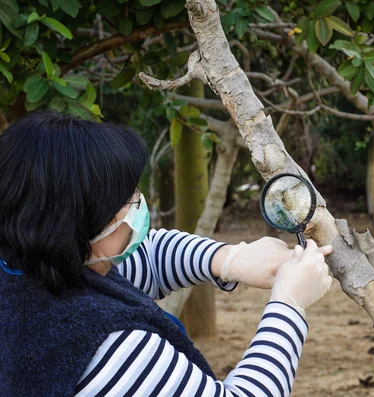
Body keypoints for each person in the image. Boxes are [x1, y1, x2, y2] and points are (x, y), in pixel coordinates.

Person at [0, 110, 333, 397]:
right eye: (126, 199)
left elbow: (150, 257)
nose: (137, 203)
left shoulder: (30, 267)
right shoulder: (107, 350)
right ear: (80, 223)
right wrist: (288, 306)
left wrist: (227, 260)